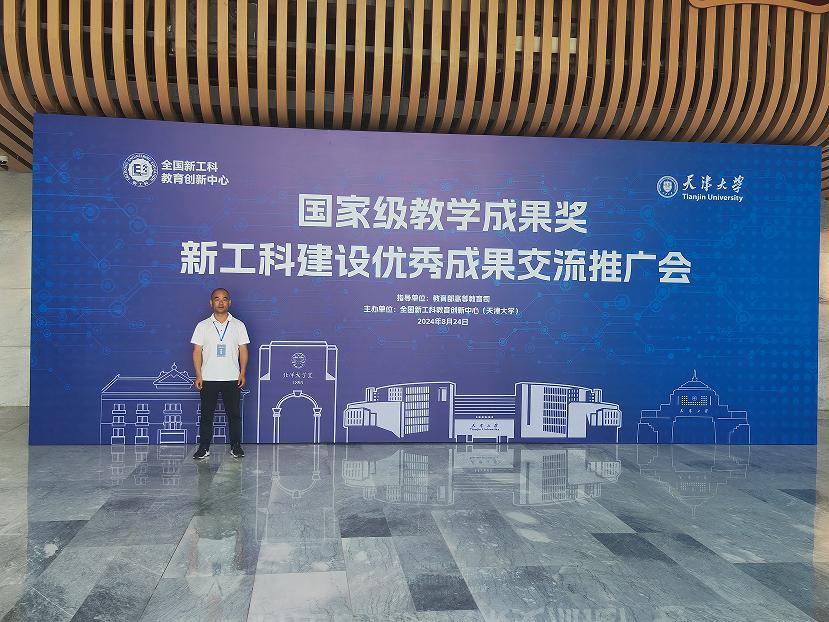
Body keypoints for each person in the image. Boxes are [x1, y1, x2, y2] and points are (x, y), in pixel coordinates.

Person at [191, 287, 249, 459]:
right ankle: (204, 447)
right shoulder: (202, 326)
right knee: (206, 415)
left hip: (232, 377)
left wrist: (242, 373)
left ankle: (236, 446)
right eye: (217, 299)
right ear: (211, 303)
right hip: (208, 378)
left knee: (234, 415)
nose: (221, 302)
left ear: (229, 302)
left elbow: (243, 350)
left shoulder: (238, 325)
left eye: (224, 299)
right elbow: (197, 351)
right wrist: (199, 375)